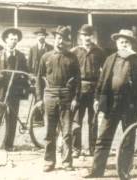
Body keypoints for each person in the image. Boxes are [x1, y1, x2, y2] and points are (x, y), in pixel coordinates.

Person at [83, 29, 137, 178]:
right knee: (103, 138)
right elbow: (102, 81)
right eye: (121, 42)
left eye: (127, 42)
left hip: (130, 105)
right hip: (111, 103)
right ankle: (96, 172)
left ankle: (124, 172)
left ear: (132, 44)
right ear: (117, 43)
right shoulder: (110, 59)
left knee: (128, 140)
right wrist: (97, 98)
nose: (124, 45)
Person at [36, 26, 81, 172]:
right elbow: (39, 79)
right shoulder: (46, 56)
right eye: (58, 38)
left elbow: (78, 80)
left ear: (68, 42)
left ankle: (67, 161)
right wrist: (39, 98)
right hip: (49, 94)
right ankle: (49, 161)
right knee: (50, 131)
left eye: (63, 39)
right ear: (54, 38)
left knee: (67, 131)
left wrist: (75, 98)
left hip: (66, 96)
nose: (60, 41)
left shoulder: (72, 58)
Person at [71, 24, 106, 158]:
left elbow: (105, 71)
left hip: (94, 89)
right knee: (76, 120)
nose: (87, 38)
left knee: (93, 120)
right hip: (78, 89)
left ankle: (92, 148)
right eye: (84, 35)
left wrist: (100, 92)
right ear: (80, 36)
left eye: (89, 35)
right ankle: (76, 148)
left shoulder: (99, 52)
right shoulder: (74, 51)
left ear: (93, 36)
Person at [0, 28, 29, 151]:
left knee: (12, 117)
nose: (14, 42)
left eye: (16, 40)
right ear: (6, 39)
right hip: (0, 90)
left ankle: (9, 144)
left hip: (14, 90)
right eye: (11, 39)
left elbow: (25, 72)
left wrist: (22, 77)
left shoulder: (21, 56)